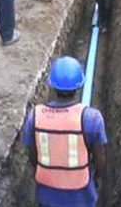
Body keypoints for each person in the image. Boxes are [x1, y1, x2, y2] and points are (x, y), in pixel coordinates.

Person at [23, 56, 108, 207]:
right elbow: (99, 159)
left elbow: (32, 156)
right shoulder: (92, 118)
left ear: (51, 85)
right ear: (80, 86)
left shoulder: (35, 116)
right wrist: (98, 178)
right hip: (81, 194)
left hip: (46, 193)